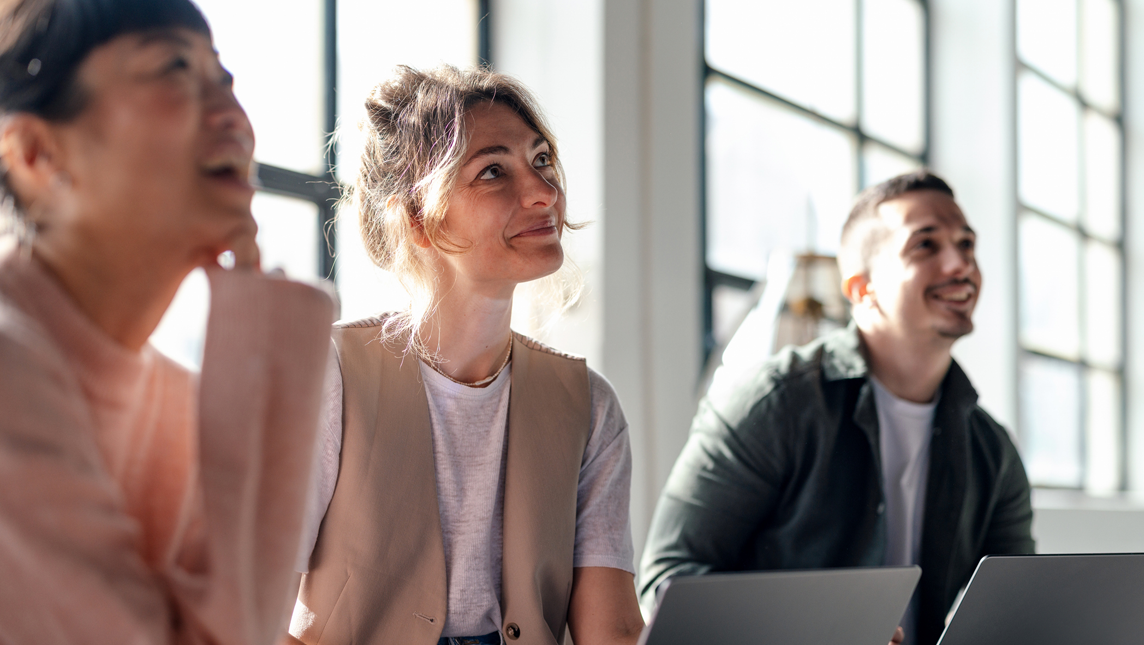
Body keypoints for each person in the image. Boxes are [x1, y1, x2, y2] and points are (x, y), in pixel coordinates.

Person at [0, 0, 333, 642]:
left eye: (225, 80)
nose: (233, 117)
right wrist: (269, 344)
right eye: (174, 68)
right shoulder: (9, 374)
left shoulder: (178, 404)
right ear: (37, 153)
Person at [288, 65, 644, 645]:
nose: (543, 193)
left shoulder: (590, 406)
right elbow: (244, 612)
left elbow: (615, 631)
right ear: (416, 220)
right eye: (494, 171)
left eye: (542, 160)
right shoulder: (327, 377)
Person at [639, 170, 1034, 645]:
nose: (960, 264)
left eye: (966, 245)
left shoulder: (993, 449)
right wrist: (819, 630)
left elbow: (1018, 610)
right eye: (925, 246)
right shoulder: (771, 404)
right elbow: (668, 578)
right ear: (861, 289)